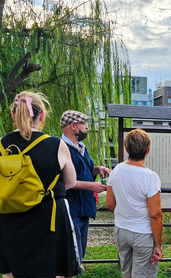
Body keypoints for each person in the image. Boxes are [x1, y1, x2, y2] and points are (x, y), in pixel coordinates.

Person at [0, 91, 78, 278]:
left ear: (14, 115)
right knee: (56, 273)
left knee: (12, 273)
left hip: (10, 220)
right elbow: (70, 182)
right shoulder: (55, 144)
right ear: (42, 115)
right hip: (49, 219)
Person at [106, 129, 163, 278]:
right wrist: (158, 245)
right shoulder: (150, 176)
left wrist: (125, 215)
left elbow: (110, 204)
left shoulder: (116, 170)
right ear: (147, 150)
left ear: (126, 149)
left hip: (121, 230)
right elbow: (155, 214)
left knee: (126, 273)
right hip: (143, 233)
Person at [60, 110, 111, 267]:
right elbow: (66, 182)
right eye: (83, 124)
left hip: (84, 208)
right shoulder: (62, 148)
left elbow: (86, 170)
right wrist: (92, 186)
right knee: (71, 254)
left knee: (79, 253)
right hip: (72, 208)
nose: (87, 127)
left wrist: (97, 169)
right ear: (74, 126)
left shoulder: (81, 146)